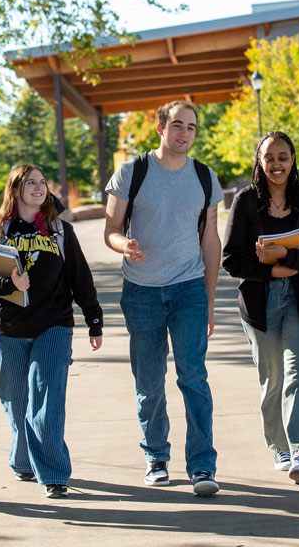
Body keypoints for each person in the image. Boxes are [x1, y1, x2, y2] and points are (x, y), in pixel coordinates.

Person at [104, 99, 223, 496]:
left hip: (189, 288)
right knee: (150, 380)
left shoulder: (205, 178)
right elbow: (111, 230)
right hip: (141, 291)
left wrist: (208, 299)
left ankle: (202, 466)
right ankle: (156, 456)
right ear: (161, 128)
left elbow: (210, 242)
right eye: (177, 125)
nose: (184, 133)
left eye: (190, 127)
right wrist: (125, 246)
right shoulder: (131, 172)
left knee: (193, 377)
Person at [0, 164, 103, 500]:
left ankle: (55, 474)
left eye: (42, 182)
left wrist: (94, 319)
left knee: (47, 402)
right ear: (15, 189)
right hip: (10, 329)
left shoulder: (59, 230)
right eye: (30, 183)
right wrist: (9, 283)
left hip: (54, 325)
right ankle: (24, 459)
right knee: (16, 403)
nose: (38, 187)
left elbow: (80, 277)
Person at [221, 131, 299, 484]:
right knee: (272, 379)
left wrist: (284, 254)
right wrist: (273, 269)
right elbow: (231, 260)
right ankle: (278, 445)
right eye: (269, 157)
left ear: (293, 159)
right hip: (259, 301)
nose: (276, 164)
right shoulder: (246, 201)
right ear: (259, 161)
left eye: (283, 157)